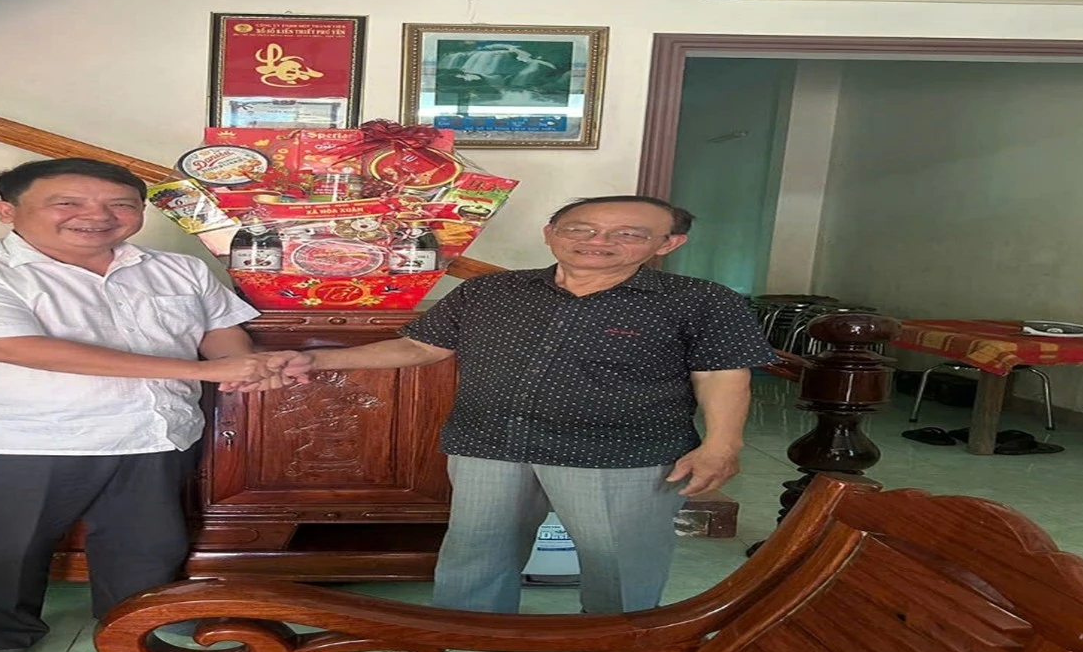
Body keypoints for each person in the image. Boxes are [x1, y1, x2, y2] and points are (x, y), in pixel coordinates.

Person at [266, 195, 778, 615]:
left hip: (618, 453)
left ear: (668, 243)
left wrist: (722, 445)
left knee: (619, 563)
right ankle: (468, 638)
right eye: (580, 228)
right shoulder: (491, 291)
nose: (598, 241)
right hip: (489, 444)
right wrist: (316, 361)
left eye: (627, 233)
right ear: (551, 233)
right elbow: (420, 347)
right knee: (475, 552)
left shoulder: (701, 300)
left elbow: (721, 374)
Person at [0, 157, 299, 652]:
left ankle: (138, 619)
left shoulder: (179, 268)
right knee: (7, 548)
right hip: (20, 440)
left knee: (149, 540)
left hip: (154, 431)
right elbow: (16, 348)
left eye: (120, 204)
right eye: (67, 202)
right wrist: (202, 370)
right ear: (7, 211)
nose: (97, 216)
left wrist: (240, 366)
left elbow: (220, 329)